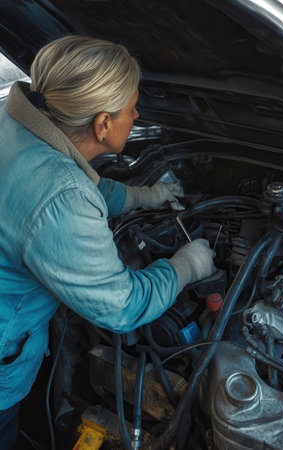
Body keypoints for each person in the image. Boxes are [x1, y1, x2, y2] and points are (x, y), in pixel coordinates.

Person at [0, 35, 215, 448]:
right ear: (103, 124)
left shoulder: (19, 127)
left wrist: (140, 196)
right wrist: (187, 266)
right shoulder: (61, 196)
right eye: (133, 109)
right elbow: (120, 307)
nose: (137, 114)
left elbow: (73, 179)